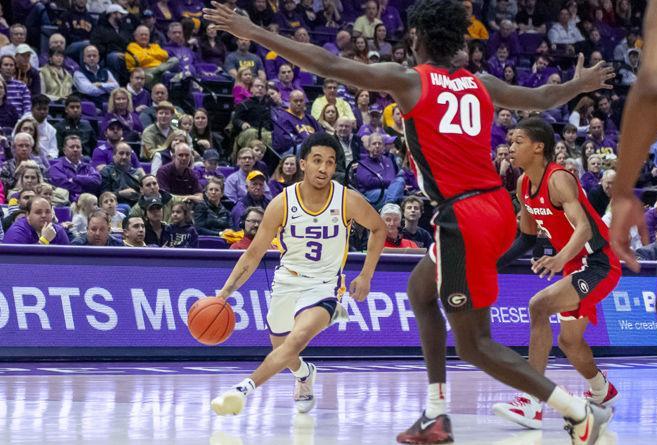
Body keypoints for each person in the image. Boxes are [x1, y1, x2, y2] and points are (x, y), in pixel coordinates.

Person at [203, 0, 616, 442]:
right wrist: (579, 83)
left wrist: (255, 32)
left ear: (416, 38)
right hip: (493, 207)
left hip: (463, 214)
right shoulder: (481, 83)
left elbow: (327, 61)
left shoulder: (410, 81)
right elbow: (541, 99)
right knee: (420, 290)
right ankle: (435, 414)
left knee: (474, 344)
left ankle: (574, 410)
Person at [208, 131, 386, 416]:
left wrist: (366, 275)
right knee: (285, 351)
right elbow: (253, 253)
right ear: (303, 164)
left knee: (296, 339)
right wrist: (226, 292)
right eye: (317, 160)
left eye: (329, 162)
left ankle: (241, 390)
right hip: (287, 282)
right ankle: (304, 374)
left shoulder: (346, 200)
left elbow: (379, 228)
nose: (324, 168)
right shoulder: (282, 203)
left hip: (324, 286)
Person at [493, 117, 622, 429]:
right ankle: (602, 391)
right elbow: (525, 237)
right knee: (569, 342)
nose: (510, 148)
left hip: (598, 263)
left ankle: (532, 401)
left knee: (538, 305)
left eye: (518, 141)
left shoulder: (558, 179)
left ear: (539, 147)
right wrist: (491, 267)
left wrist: (557, 258)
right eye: (511, 141)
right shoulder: (524, 184)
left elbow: (582, 228)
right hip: (573, 263)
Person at [48, 135, 102, 202]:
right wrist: (86, 185)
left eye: (78, 147)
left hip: (90, 204)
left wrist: (75, 178)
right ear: (64, 150)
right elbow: (64, 186)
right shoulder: (56, 168)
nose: (75, 149)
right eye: (72, 147)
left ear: (81, 150)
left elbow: (97, 181)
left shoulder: (88, 167)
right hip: (69, 203)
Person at [2, 197, 70, 245]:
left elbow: (68, 261)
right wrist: (44, 240)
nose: (44, 215)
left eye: (48, 212)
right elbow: (19, 264)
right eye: (38, 212)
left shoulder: (58, 231)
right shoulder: (17, 232)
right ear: (28, 215)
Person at [273, 90, 321, 154]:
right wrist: (309, 144)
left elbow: (321, 135)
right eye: (295, 101)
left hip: (313, 149)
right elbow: (284, 141)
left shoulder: (310, 118)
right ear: (290, 101)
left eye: (301, 101)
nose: (299, 103)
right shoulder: (283, 118)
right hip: (291, 152)